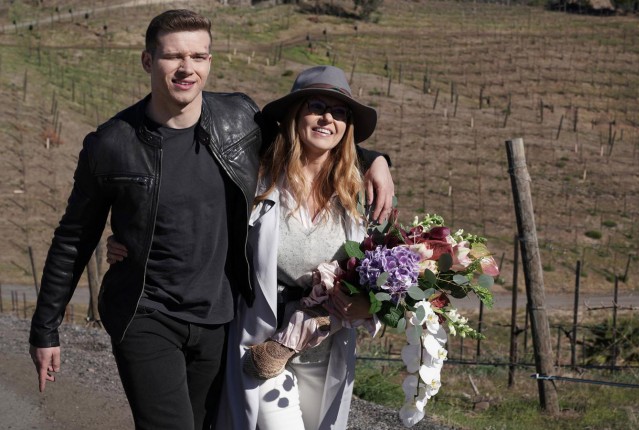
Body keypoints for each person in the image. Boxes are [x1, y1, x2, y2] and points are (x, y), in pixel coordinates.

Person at [28, 9, 394, 430]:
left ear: (209, 61)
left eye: (198, 56)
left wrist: (375, 160)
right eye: (174, 56)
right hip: (145, 313)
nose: (187, 68)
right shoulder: (111, 145)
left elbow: (311, 139)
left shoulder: (239, 122)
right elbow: (73, 238)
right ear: (148, 61)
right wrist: (45, 328)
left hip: (220, 320)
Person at [216, 65, 381, 430]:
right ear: (295, 115)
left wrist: (369, 305)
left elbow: (383, 272)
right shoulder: (258, 182)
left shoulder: (359, 196)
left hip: (326, 348)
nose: (328, 118)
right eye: (316, 106)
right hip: (266, 346)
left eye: (339, 112)